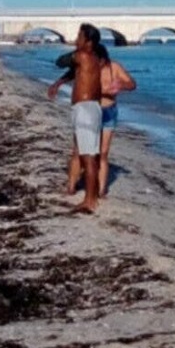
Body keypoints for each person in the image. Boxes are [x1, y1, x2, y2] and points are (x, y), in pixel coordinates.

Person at [50, 44, 136, 197]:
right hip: (88, 112)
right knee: (78, 151)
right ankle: (71, 186)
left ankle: (101, 190)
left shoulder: (114, 67)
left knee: (103, 154)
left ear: (103, 59)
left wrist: (121, 85)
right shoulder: (85, 66)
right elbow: (69, 74)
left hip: (108, 111)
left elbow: (132, 84)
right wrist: (57, 84)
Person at [47, 23, 102, 213]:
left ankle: (89, 200)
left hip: (85, 109)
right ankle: (91, 197)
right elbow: (73, 72)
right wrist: (58, 83)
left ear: (88, 41)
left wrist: (76, 50)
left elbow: (60, 61)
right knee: (86, 153)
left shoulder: (82, 55)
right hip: (93, 108)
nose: (76, 40)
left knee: (87, 157)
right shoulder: (95, 58)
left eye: (79, 37)